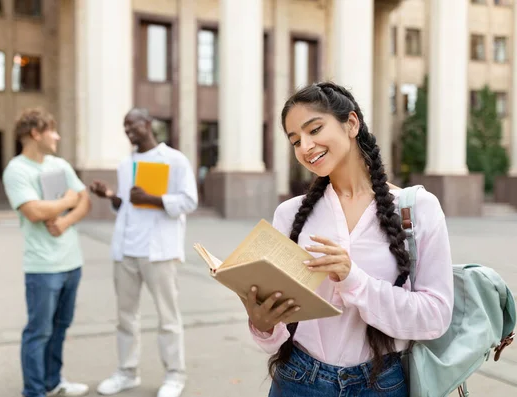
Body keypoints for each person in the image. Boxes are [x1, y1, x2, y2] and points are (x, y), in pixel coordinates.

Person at [241, 82, 454, 396]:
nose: (305, 147)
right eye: (295, 140)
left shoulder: (417, 209)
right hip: (297, 380)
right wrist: (262, 323)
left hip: (381, 384)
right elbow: (279, 330)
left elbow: (435, 318)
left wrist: (354, 279)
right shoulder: (290, 214)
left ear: (351, 123)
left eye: (314, 129)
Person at [89, 108, 198, 397]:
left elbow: (189, 201)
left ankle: (175, 375)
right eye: (124, 125)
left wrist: (154, 199)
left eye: (133, 124)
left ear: (148, 124)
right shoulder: (126, 164)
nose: (128, 129)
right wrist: (111, 197)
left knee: (167, 316)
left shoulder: (174, 160)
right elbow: (127, 204)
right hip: (126, 249)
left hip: (159, 251)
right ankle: (127, 372)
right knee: (125, 316)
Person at [2, 107, 92, 397]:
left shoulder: (59, 164)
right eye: (51, 130)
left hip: (71, 263)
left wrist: (64, 220)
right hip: (42, 267)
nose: (57, 136)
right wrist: (67, 199)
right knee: (38, 332)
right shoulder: (17, 170)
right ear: (35, 134)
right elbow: (33, 210)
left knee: (60, 328)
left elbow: (85, 200)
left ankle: (53, 382)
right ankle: (34, 391)